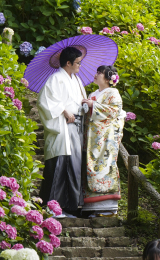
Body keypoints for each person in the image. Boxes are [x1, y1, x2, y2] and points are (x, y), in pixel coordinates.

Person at [37, 46, 87, 218]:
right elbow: (44, 102)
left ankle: (71, 207)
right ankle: (52, 207)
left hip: (76, 127)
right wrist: (64, 110)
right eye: (78, 63)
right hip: (63, 126)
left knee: (74, 166)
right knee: (59, 165)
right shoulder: (55, 79)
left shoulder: (76, 80)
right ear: (68, 63)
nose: (80, 66)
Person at [81, 65, 126, 217]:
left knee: (104, 166)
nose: (96, 74)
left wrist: (93, 105)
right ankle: (90, 205)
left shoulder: (113, 93)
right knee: (89, 166)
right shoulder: (94, 93)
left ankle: (107, 206)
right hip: (92, 136)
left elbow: (114, 112)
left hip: (106, 139)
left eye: (99, 73)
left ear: (108, 78)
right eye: (97, 71)